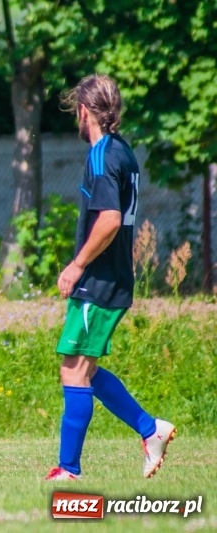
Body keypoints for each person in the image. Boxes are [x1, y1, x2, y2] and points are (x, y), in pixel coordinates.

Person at [45, 74, 175, 481]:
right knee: (88, 369)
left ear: (84, 110)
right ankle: (150, 428)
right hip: (113, 277)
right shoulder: (124, 151)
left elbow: (110, 220)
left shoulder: (102, 154)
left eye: (76, 112)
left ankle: (69, 470)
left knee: (74, 369)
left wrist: (77, 264)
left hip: (99, 279)